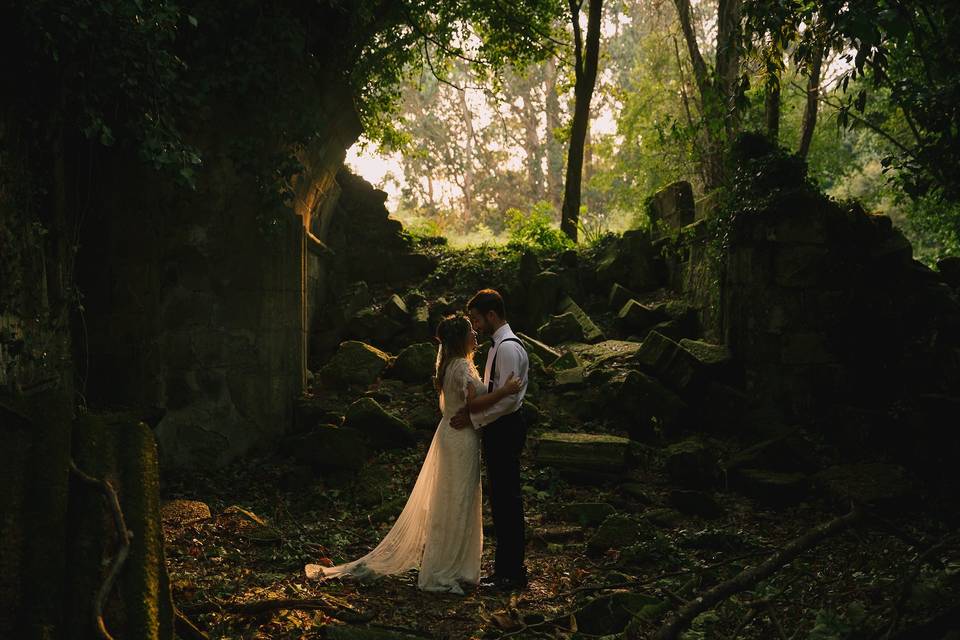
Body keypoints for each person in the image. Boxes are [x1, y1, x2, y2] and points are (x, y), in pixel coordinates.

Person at [304, 313, 522, 594]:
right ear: (461, 338)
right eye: (471, 331)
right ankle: (449, 569)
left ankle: (448, 564)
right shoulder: (463, 368)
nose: (475, 335)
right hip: (461, 439)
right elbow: (474, 405)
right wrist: (505, 390)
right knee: (458, 501)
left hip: (450, 435)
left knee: (450, 500)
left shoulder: (450, 366)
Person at [451, 289, 530, 592]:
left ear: (492, 315)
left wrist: (474, 419)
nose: (476, 326)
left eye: (477, 319)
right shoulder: (499, 346)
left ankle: (512, 573)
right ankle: (504, 571)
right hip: (499, 426)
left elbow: (508, 402)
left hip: (505, 426)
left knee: (507, 501)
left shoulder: (509, 348)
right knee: (500, 500)